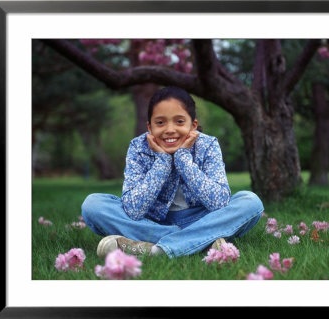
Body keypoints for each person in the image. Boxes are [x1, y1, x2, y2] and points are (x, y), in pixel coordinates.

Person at [81, 86, 264, 259]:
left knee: (251, 202)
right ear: (150, 127)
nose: (170, 130)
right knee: (93, 205)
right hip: (151, 222)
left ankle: (155, 250)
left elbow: (219, 202)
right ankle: (202, 241)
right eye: (160, 122)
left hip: (202, 218)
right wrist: (162, 161)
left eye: (179, 121)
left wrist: (183, 158)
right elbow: (133, 210)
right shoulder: (138, 147)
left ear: (193, 125)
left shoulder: (208, 145)